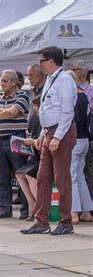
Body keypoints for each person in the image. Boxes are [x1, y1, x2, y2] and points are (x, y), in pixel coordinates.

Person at [21, 46, 77, 235]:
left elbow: (67, 111)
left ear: (51, 61)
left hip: (61, 131)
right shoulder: (52, 80)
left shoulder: (64, 80)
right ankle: (41, 221)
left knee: (62, 179)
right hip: (50, 132)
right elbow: (48, 110)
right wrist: (43, 135)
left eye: (42, 61)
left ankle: (66, 221)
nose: (40, 64)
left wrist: (58, 136)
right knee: (43, 178)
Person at [0, 70, 29, 219]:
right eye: (1, 81)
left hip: (17, 138)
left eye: (4, 81)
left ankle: (26, 209)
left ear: (14, 82)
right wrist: (7, 111)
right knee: (1, 176)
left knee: (22, 175)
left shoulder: (23, 96)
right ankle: (5, 208)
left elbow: (12, 112)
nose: (1, 84)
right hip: (0, 138)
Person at [66, 70, 92, 224]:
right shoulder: (84, 95)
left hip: (74, 139)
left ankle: (74, 211)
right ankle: (87, 211)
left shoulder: (72, 96)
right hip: (85, 140)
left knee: (72, 176)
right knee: (80, 176)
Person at [15, 95, 42, 222]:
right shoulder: (36, 120)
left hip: (44, 158)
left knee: (30, 175)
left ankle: (39, 207)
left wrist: (34, 141)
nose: (35, 109)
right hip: (36, 156)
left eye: (37, 106)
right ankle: (32, 203)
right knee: (19, 174)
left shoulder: (46, 121)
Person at [70, 60, 93, 198]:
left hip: (84, 135)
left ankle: (84, 208)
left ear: (84, 72)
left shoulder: (89, 91)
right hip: (81, 136)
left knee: (85, 172)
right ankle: (85, 208)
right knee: (79, 174)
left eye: (75, 69)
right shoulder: (75, 91)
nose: (73, 72)